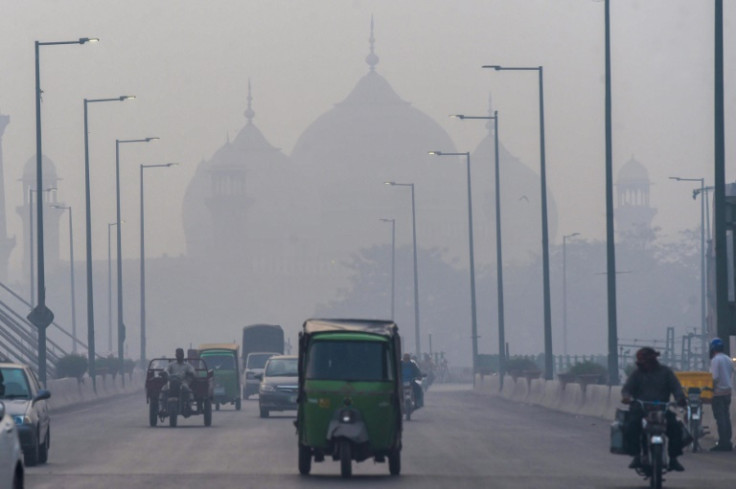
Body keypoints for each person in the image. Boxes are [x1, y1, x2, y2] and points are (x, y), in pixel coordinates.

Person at [621, 347, 687, 472]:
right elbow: (627, 389)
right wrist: (626, 397)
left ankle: (673, 458)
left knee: (676, 428)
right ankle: (636, 456)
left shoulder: (666, 372)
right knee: (630, 425)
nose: (645, 365)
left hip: (662, 409)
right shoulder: (637, 374)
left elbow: (676, 388)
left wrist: (680, 399)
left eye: (647, 362)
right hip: (641, 409)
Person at [709, 337, 733, 452]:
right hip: (727, 393)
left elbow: (715, 378)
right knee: (726, 417)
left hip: (718, 393)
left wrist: (710, 390)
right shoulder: (728, 359)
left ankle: (723, 443)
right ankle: (728, 441)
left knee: (720, 419)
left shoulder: (715, 360)